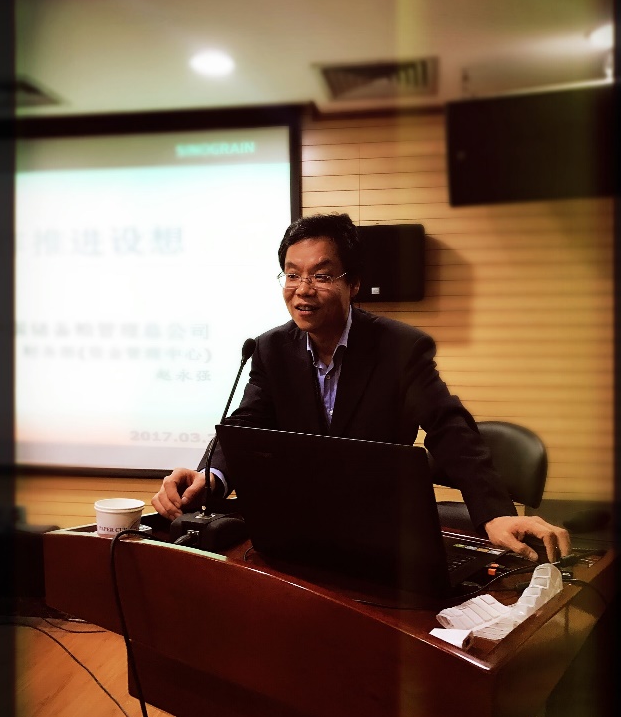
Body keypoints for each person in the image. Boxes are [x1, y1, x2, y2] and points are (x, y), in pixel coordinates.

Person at [153, 213, 570, 563]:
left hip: (381, 535)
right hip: (299, 532)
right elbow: (245, 425)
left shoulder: (400, 348)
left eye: (321, 275)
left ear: (353, 284)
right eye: (292, 275)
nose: (302, 289)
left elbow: (449, 427)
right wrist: (210, 476)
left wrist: (494, 513)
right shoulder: (270, 349)